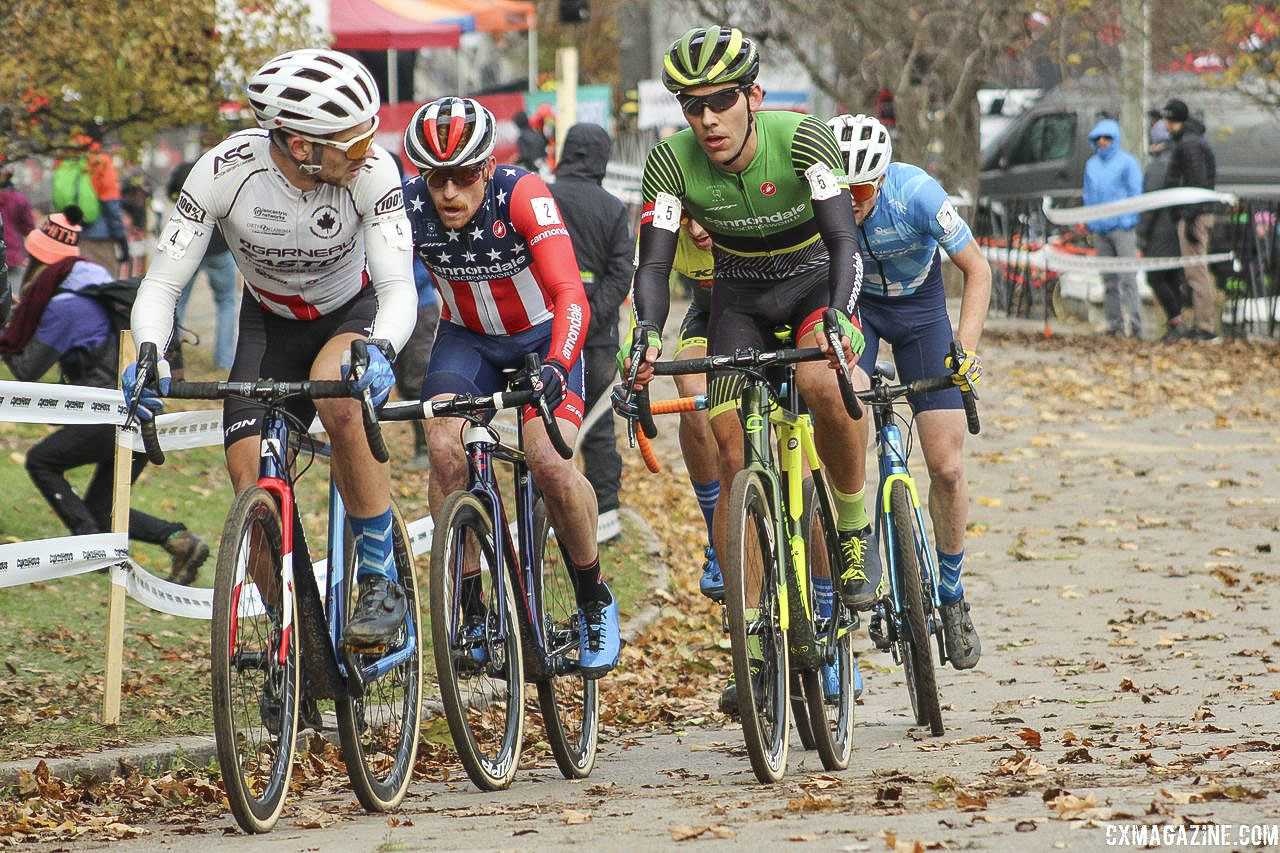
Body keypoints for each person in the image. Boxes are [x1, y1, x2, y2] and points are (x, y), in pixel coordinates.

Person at [126, 48, 419, 649]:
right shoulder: (222, 171)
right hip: (270, 325)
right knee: (248, 478)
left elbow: (397, 288)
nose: (367, 151)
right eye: (352, 142)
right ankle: (298, 641)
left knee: (340, 396)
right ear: (301, 145)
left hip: (351, 313)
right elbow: (160, 284)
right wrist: (152, 351)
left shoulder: (374, 173)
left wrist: (384, 348)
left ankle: (377, 575)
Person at [625, 26, 873, 712]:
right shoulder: (672, 163)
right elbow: (652, 263)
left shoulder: (800, 137)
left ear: (753, 96)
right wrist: (644, 332)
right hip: (738, 296)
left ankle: (852, 531)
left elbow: (844, 237)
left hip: (813, 283)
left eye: (721, 101)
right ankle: (755, 632)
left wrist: (844, 316)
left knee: (824, 381)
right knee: (729, 441)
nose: (706, 119)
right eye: (691, 106)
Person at [402, 96, 620, 676]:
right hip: (465, 339)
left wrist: (556, 365)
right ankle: (471, 604)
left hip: (542, 338)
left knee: (549, 463)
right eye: (436, 178)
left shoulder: (522, 195)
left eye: (463, 177)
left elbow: (572, 294)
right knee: (445, 446)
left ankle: (593, 594)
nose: (449, 193)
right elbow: (387, 288)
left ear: (487, 168)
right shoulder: (409, 208)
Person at [826, 113, 990, 671]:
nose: (851, 200)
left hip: (921, 313)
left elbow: (978, 270)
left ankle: (952, 594)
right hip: (860, 312)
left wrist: (963, 349)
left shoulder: (918, 192)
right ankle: (858, 533)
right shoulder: (822, 195)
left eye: (863, 189)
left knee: (946, 466)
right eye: (842, 188)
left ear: (882, 176)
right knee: (842, 403)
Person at [0, 207, 209, 582]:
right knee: (103, 506)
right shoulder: (96, 284)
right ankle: (179, 540)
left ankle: (89, 547)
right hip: (141, 411)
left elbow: (26, 368)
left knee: (40, 462)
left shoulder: (68, 306)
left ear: (41, 265)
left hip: (107, 413)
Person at [549, 123, 634, 544]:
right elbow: (622, 274)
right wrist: (590, 317)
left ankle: (548, 516)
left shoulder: (541, 197)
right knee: (599, 427)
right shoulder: (613, 208)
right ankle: (607, 514)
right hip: (598, 339)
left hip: (546, 335)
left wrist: (564, 320)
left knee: (544, 422)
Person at [167, 162, 239, 369]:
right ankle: (224, 360)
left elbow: (170, 193)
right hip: (219, 246)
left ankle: (173, 357)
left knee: (178, 303)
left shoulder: (184, 170)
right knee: (226, 303)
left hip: (188, 245)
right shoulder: (225, 170)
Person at [1159, 98, 1218, 341]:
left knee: (1196, 273)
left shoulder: (1189, 144)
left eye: (1167, 119)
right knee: (1194, 272)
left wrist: (1190, 219)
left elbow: (1197, 183)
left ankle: (1205, 327)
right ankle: (1201, 325)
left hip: (1194, 215)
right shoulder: (1190, 141)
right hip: (1192, 213)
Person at [1082, 118, 1144, 338]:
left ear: (1115, 139)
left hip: (1122, 229)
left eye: (1107, 137)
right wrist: (1091, 221)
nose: (1102, 141)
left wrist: (1128, 220)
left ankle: (1136, 326)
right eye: (1098, 138)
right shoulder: (1091, 165)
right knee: (1109, 281)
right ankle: (1114, 324)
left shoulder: (1128, 162)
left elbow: (1135, 193)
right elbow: (1088, 195)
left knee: (1128, 278)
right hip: (1100, 230)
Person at [1137, 120, 1186, 341]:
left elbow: (1151, 201)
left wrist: (1142, 232)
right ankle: (1176, 324)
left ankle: (1176, 321)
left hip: (1160, 230)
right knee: (1173, 277)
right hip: (1177, 228)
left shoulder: (1158, 165)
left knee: (1156, 277)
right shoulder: (1179, 159)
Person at [73, 132, 131, 277]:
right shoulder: (101, 161)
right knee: (104, 284)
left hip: (76, 236)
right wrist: (121, 239)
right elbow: (111, 205)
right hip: (101, 237)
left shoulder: (70, 158)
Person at [1, 167, 36, 304]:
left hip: (11, 253)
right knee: (13, 296)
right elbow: (28, 227)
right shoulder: (18, 198)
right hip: (13, 254)